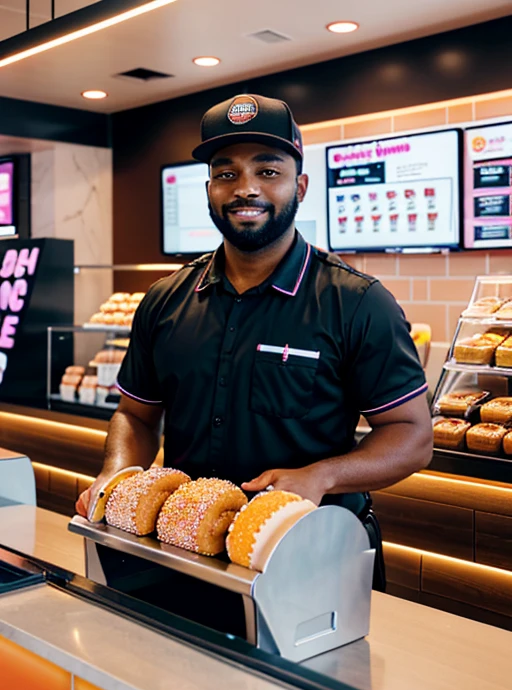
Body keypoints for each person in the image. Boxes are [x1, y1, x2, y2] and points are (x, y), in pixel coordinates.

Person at [76, 94, 433, 589]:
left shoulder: (356, 302)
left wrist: (321, 476)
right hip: (186, 552)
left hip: (312, 556)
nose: (246, 188)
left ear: (300, 185)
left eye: (268, 171)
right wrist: (115, 476)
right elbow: (136, 415)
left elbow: (413, 437)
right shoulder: (165, 300)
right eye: (227, 174)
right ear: (209, 189)